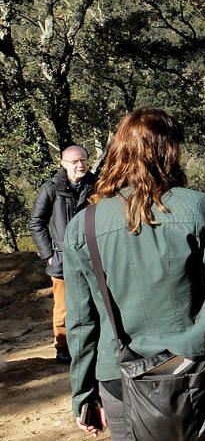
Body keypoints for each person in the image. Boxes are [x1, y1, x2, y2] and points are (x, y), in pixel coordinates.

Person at [62, 109, 205, 439]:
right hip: (194, 370)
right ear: (169, 151)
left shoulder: (82, 226)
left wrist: (83, 393)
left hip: (119, 378)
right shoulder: (196, 207)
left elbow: (80, 322)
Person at [28, 144, 97, 364]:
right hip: (61, 259)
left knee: (96, 301)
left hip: (93, 256)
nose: (80, 165)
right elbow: (36, 222)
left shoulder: (97, 185)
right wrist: (48, 254)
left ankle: (95, 343)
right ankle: (63, 346)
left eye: (84, 160)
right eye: (75, 162)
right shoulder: (51, 188)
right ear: (63, 164)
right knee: (64, 306)